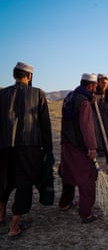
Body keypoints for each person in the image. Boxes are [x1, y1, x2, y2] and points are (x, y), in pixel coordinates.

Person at [0, 62, 53, 238]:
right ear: (29, 76)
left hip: (4, 145)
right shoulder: (37, 94)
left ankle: (1, 216)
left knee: (3, 180)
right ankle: (14, 226)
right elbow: (45, 124)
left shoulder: (3, 94)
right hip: (29, 146)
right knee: (24, 184)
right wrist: (48, 148)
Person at [59, 73, 100, 224]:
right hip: (79, 145)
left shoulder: (70, 97)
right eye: (95, 86)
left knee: (68, 174)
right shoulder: (84, 102)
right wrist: (92, 147)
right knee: (86, 178)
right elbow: (86, 126)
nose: (95, 88)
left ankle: (65, 203)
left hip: (66, 143)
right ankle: (85, 213)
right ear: (90, 86)